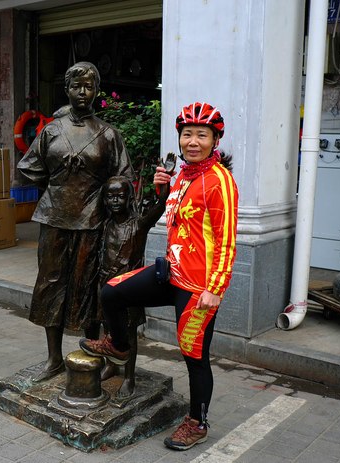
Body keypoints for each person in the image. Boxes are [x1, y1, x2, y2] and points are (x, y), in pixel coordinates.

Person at [79, 102, 238, 451]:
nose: (193, 142)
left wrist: (215, 288)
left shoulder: (219, 181)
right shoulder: (184, 175)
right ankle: (119, 346)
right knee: (112, 293)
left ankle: (197, 422)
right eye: (187, 134)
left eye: (201, 135)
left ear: (215, 140)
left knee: (194, 355)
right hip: (171, 272)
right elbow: (177, 218)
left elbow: (226, 241)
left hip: (198, 287)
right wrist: (163, 192)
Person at [17, 61, 134, 382]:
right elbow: (28, 168)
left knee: (89, 287)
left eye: (88, 86)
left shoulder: (108, 134)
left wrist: (98, 183)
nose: (82, 92)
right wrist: (58, 173)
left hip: (92, 220)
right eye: (76, 86)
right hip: (54, 217)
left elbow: (123, 179)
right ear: (66, 90)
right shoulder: (51, 130)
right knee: (50, 284)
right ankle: (54, 358)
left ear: (97, 91)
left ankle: (93, 354)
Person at [97, 175, 168, 398]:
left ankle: (129, 376)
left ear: (129, 198)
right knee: (108, 328)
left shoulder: (139, 224)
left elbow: (160, 207)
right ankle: (111, 364)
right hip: (106, 285)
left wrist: (164, 187)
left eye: (120, 196)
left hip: (129, 290)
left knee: (129, 334)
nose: (115, 201)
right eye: (110, 197)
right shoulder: (106, 224)